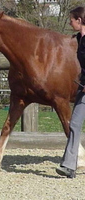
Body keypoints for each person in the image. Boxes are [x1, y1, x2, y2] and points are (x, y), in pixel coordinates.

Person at [56, 6, 85, 178]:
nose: (69, 23)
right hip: (83, 87)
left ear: (79, 20)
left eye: (71, 20)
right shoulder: (80, 39)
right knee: (74, 124)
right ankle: (69, 166)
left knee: (74, 124)